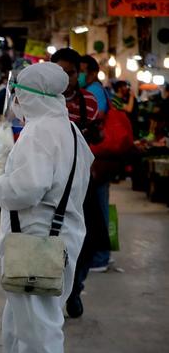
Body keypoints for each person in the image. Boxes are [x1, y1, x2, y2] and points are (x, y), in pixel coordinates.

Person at [0, 62, 93, 353]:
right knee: (21, 326)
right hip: (56, 239)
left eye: (17, 94)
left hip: (37, 244)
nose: (15, 101)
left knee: (38, 335)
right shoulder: (69, 129)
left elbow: (27, 188)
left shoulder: (40, 131)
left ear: (30, 96)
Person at [51, 48, 109, 318]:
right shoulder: (42, 99)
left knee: (88, 237)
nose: (65, 78)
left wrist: (94, 135)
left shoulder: (89, 101)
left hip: (82, 181)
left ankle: (75, 289)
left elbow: (96, 138)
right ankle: (54, 290)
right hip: (51, 183)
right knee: (51, 238)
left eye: (70, 73)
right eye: (60, 72)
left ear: (79, 74)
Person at [79, 55, 113, 272]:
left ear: (91, 72)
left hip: (98, 159)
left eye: (80, 71)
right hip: (95, 158)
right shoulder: (93, 90)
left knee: (99, 206)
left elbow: (96, 119)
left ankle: (101, 256)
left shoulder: (95, 92)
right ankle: (99, 254)